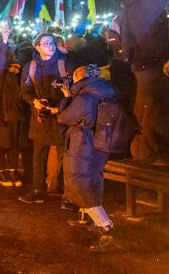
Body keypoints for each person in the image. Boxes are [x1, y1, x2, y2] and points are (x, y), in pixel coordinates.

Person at [56, 65, 118, 253]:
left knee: (79, 182)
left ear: (78, 78)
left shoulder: (85, 97)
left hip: (83, 145)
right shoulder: (106, 91)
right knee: (93, 179)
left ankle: (104, 226)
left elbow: (64, 118)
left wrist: (66, 97)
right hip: (100, 144)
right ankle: (91, 218)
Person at [117, 0, 169, 163]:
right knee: (155, 107)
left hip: (144, 64)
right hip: (152, 64)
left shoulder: (133, 8)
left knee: (147, 106)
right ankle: (155, 153)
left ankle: (148, 151)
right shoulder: (142, 6)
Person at [19, 32, 73, 204]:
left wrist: (60, 107)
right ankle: (38, 190)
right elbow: (25, 90)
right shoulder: (31, 67)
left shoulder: (65, 64)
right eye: (45, 43)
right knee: (39, 155)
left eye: (51, 42)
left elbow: (75, 89)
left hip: (61, 116)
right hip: (41, 117)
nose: (49, 46)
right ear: (37, 47)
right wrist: (35, 101)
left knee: (64, 155)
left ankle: (66, 193)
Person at [0, 24, 30, 188]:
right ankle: (1, 171)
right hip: (2, 111)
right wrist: (3, 40)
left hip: (18, 112)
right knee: (1, 142)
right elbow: (2, 62)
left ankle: (12, 170)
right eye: (7, 44)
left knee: (15, 143)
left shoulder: (21, 66)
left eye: (11, 43)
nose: (10, 45)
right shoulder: (0, 69)